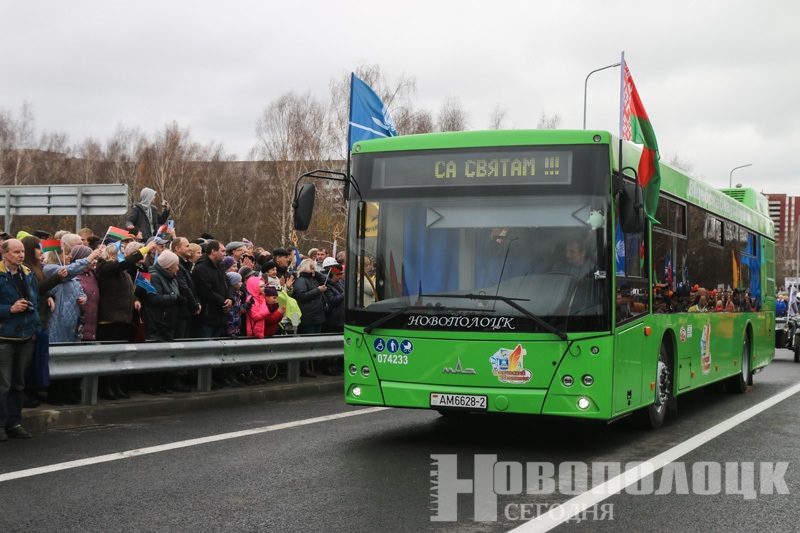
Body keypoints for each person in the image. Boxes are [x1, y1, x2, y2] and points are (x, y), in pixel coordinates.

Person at [95, 240, 150, 399]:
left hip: (123, 317)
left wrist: (134, 299)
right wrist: (146, 248)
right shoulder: (105, 267)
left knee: (118, 356)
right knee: (109, 356)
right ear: (112, 254)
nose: (122, 256)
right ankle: (106, 387)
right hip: (110, 318)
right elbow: (123, 264)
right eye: (120, 253)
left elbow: (128, 290)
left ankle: (115, 384)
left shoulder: (122, 273)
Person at [0, 239, 41, 440]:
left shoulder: (27, 273)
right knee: (3, 384)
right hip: (4, 336)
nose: (21, 255)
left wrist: (36, 330)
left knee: (18, 384)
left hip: (26, 335)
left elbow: (36, 302)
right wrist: (9, 309)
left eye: (23, 251)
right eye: (16, 252)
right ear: (4, 252)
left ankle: (13, 423)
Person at [292, 258, 328, 377]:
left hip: (317, 315)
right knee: (307, 344)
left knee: (314, 344)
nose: (315, 270)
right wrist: (317, 290)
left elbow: (325, 279)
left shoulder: (314, 279)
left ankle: (312, 367)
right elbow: (302, 296)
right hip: (309, 316)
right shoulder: (301, 281)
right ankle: (305, 368)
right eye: (312, 268)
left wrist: (316, 272)